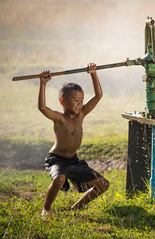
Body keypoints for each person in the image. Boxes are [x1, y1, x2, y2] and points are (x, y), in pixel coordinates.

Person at [38, 63, 109, 216]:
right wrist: (43, 84)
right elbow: (42, 108)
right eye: (76, 100)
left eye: (82, 100)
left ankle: (75, 209)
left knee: (103, 185)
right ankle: (46, 209)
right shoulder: (59, 118)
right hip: (57, 160)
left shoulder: (81, 114)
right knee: (59, 178)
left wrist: (93, 74)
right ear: (63, 101)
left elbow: (98, 96)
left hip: (73, 160)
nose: (80, 103)